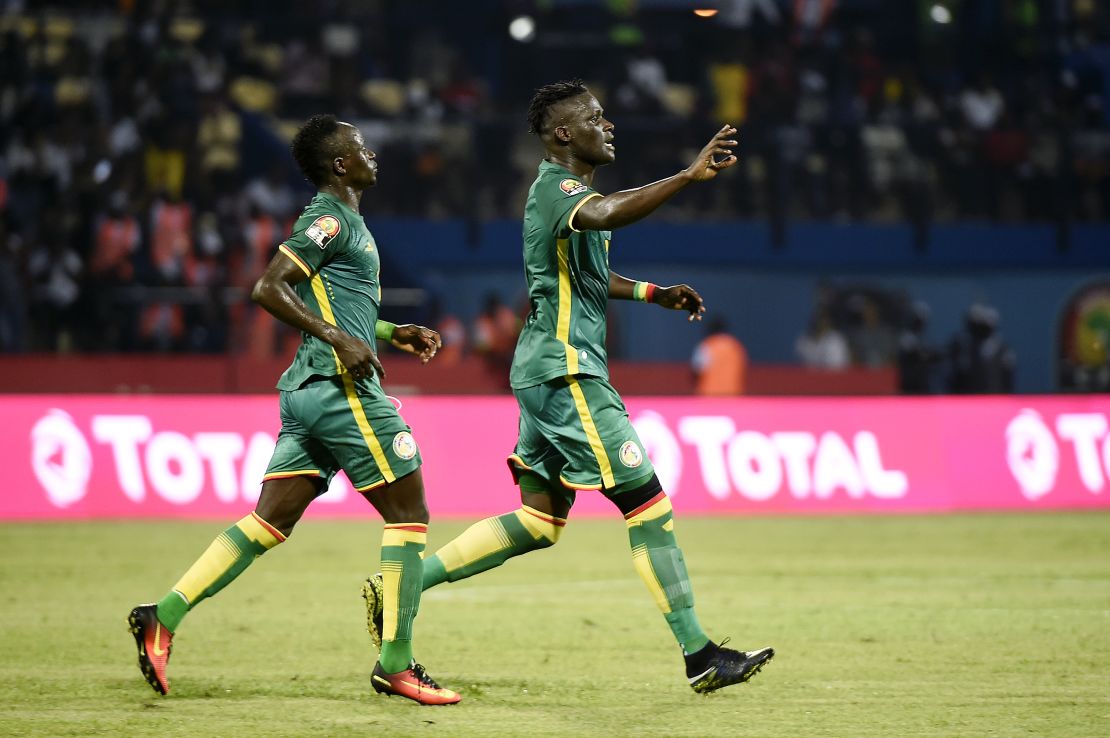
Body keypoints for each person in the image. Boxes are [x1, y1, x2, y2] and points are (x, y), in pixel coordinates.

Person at [362, 79, 773, 694]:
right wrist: (686, 178)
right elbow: (606, 214)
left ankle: (406, 581)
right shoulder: (558, 191)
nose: (608, 126)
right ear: (563, 133)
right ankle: (700, 655)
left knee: (539, 520)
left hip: (544, 370)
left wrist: (652, 293)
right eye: (595, 118)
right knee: (648, 504)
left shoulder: (573, 196)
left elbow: (591, 275)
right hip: (567, 371)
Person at [127, 114, 461, 706]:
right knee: (409, 508)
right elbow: (268, 287)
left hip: (307, 393)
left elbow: (339, 307)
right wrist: (339, 339)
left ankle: (163, 614)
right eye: (359, 146)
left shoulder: (348, 222)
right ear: (339, 164)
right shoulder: (329, 218)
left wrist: (386, 330)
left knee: (268, 522)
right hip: (338, 389)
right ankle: (396, 662)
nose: (370, 152)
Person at [692, 317, 748, 395]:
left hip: (709, 394)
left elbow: (697, 370)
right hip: (733, 394)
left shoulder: (707, 346)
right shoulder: (735, 346)